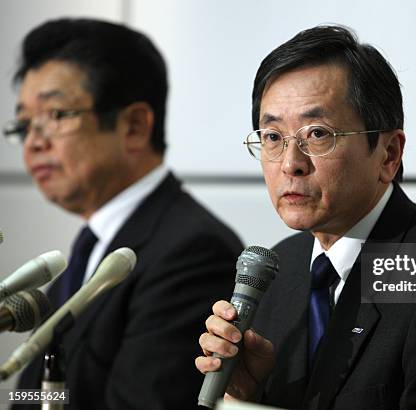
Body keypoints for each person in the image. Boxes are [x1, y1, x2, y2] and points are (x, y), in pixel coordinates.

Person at [196, 25, 416, 409]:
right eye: (272, 137)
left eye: (318, 134)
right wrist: (252, 397)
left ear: (388, 154)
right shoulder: (279, 270)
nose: (290, 163)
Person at [3, 18, 242, 409]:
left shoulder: (193, 253)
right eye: (25, 124)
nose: (33, 142)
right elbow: (37, 393)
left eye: (56, 115)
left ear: (133, 126)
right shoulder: (87, 249)